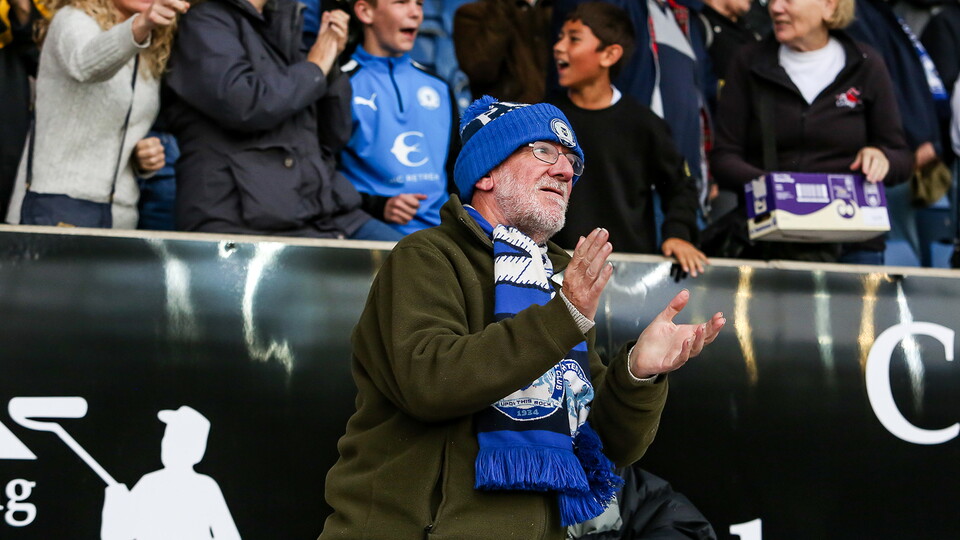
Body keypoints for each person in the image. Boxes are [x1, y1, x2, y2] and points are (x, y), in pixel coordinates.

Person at [318, 96, 725, 539]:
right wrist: (563, 318)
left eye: (572, 161)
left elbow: (607, 447)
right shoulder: (427, 256)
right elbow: (429, 383)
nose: (565, 171)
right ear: (487, 173)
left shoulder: (559, 278)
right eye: (544, 151)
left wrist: (636, 373)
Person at [163, 2, 398, 240]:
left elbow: (333, 136)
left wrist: (331, 63)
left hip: (323, 214)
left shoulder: (286, 20)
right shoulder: (204, 20)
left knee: (420, 265)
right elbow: (244, 104)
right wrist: (315, 68)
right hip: (241, 219)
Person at [710, 0, 913, 262]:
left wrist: (881, 157)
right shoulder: (748, 62)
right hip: (770, 241)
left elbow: (901, 157)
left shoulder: (866, 63)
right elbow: (724, 157)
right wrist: (774, 188)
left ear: (829, 6)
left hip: (852, 243)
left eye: (788, 0)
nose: (775, 8)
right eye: (772, 0)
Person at [548, 2, 707, 277]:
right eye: (560, 37)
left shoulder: (644, 124)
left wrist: (678, 233)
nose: (559, 47)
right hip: (554, 269)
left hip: (628, 277)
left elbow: (681, 185)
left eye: (573, 39)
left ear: (609, 54)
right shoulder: (542, 117)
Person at [4, 0, 185, 228]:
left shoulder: (151, 46)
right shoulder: (73, 19)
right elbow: (86, 65)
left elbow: (119, 126)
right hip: (55, 206)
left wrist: (139, 157)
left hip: (119, 215)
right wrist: (141, 25)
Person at [339, 0, 458, 236]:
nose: (415, 13)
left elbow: (455, 172)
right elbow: (319, 175)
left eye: (420, 4)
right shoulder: (340, 85)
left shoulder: (440, 87)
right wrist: (376, 205)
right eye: (401, 2)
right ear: (365, 11)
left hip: (442, 234)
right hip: (371, 230)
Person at [101, 406, 240, 539]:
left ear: (196, 449)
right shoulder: (149, 483)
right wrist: (116, 503)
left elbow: (228, 536)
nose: (167, 444)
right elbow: (118, 536)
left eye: (176, 439)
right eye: (167, 437)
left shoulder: (205, 487)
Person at [454, 0, 553, 103]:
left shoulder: (560, 8)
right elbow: (480, 70)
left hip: (560, 112)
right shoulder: (471, 14)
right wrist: (501, 7)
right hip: (504, 113)